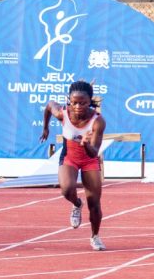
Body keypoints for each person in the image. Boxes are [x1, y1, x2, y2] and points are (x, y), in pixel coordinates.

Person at [40, 81, 107, 251]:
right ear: (69, 100)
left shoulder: (97, 121)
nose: (78, 106)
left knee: (94, 202)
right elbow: (49, 106)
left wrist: (85, 144)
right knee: (66, 189)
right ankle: (77, 204)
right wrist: (45, 128)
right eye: (74, 102)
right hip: (69, 156)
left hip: (89, 159)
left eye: (83, 103)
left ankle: (95, 237)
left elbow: (94, 152)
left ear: (90, 101)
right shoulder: (63, 113)